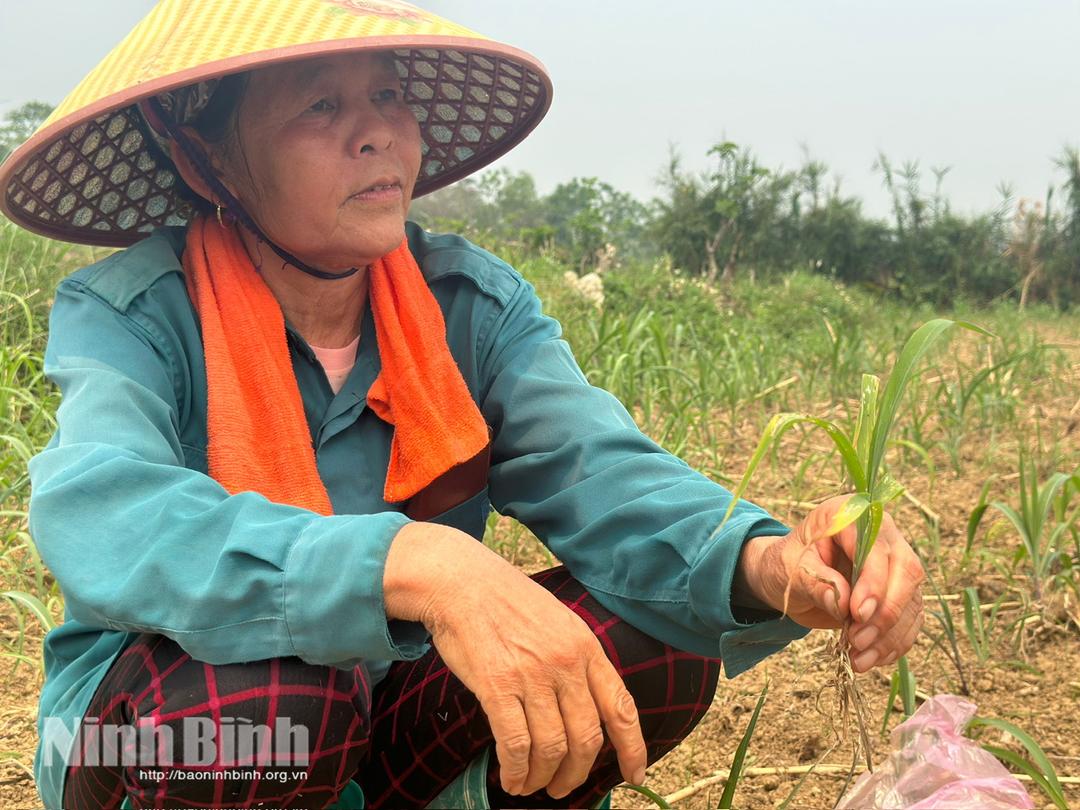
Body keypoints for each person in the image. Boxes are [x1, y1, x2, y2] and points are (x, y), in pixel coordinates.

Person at [0, 1, 925, 808]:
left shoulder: (466, 305)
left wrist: (770, 561)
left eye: (389, 95)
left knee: (649, 641)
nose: (377, 135)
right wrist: (414, 562)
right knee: (268, 704)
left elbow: (597, 469)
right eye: (322, 105)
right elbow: (105, 510)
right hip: (150, 733)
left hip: (376, 707)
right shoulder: (133, 311)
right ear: (208, 156)